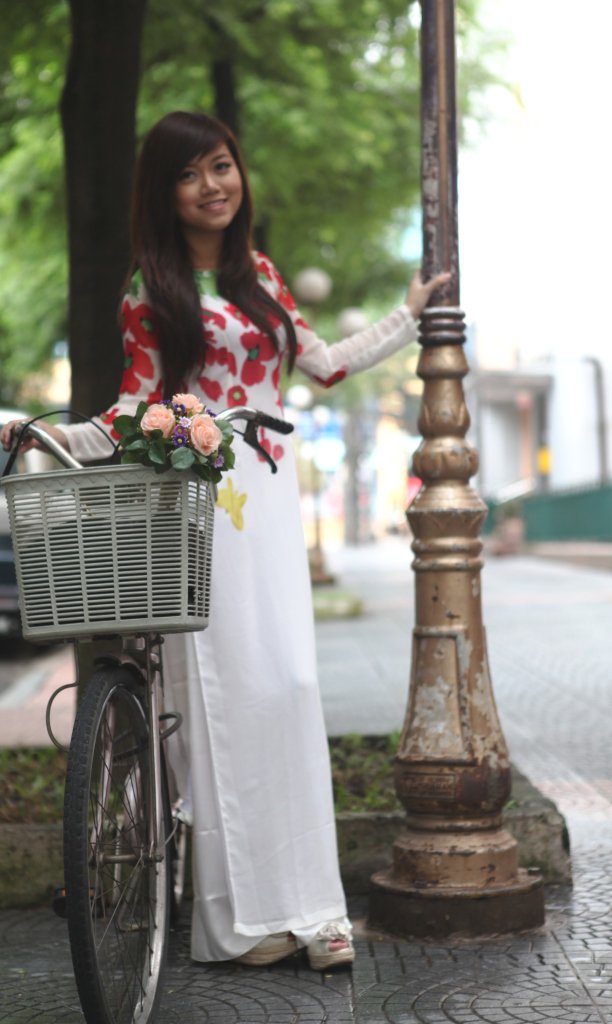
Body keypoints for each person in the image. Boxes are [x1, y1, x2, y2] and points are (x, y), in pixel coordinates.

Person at [1, 111, 449, 970]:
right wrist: (44, 435)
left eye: (221, 166)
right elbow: (134, 409)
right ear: (163, 194)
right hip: (199, 500)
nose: (212, 185)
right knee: (221, 702)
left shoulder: (261, 276)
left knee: (289, 687)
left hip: (270, 499)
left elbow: (325, 363)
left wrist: (408, 315)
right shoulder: (149, 291)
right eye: (188, 174)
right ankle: (239, 923)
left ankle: (310, 905)